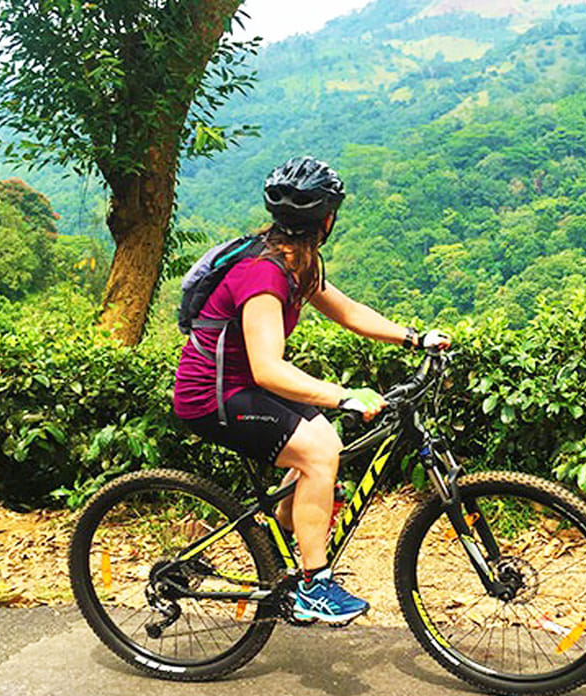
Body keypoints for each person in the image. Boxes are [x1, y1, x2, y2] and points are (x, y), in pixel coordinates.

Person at [173, 156, 450, 625]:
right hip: (212, 396)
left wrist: (413, 337)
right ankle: (312, 587)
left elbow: (348, 311)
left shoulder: (295, 261)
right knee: (319, 452)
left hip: (238, 384)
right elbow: (267, 369)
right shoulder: (263, 273)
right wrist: (344, 394)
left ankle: (278, 543)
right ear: (328, 218)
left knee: (325, 442)